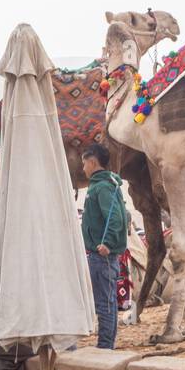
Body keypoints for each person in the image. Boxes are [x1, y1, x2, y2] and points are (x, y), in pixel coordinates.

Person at [80, 144, 128, 350]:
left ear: (92, 162)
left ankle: (105, 347)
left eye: (84, 164)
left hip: (102, 256)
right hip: (102, 256)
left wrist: (106, 243)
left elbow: (116, 217)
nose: (83, 169)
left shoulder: (102, 188)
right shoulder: (107, 185)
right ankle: (106, 345)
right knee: (106, 302)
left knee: (104, 303)